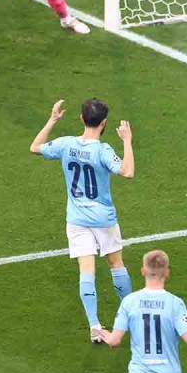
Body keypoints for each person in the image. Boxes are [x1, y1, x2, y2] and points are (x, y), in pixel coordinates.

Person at [30, 98, 135, 342]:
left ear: (81, 118)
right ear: (104, 123)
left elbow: (35, 147)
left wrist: (52, 120)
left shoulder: (66, 144)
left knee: (86, 272)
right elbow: (127, 171)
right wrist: (127, 141)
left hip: (76, 220)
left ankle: (94, 327)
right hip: (103, 219)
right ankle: (131, 314)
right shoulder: (103, 150)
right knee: (116, 264)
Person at [100, 250, 187, 373]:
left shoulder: (129, 301)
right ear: (167, 272)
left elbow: (114, 341)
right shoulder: (175, 303)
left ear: (143, 271)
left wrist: (105, 335)